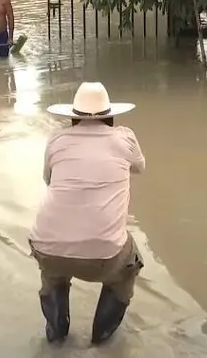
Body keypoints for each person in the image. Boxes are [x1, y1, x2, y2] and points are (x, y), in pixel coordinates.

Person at [28, 81, 146, 345]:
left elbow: (48, 179)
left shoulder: (56, 139)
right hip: (105, 255)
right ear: (111, 115)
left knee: (53, 270)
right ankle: (100, 339)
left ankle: (57, 332)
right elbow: (140, 167)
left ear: (72, 117)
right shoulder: (124, 138)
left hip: (47, 247)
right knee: (129, 263)